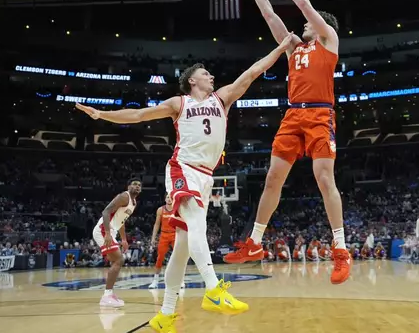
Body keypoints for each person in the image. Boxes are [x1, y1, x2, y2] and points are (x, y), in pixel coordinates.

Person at [75, 33, 294, 333]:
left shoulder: (223, 98)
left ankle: (165, 315)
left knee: (181, 248)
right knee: (196, 226)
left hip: (206, 176)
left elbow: (253, 72)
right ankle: (213, 289)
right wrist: (102, 114)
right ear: (192, 80)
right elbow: (139, 114)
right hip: (183, 169)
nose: (212, 76)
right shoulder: (179, 103)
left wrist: (281, 48)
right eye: (206, 73)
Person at [224, 0, 351, 285]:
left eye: (308, 23)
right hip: (293, 115)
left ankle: (341, 251)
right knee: (271, 180)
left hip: (320, 114)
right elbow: (269, 14)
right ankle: (254, 243)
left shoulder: (328, 41)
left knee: (324, 179)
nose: (303, 25)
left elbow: (307, 7)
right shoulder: (295, 48)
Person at [92, 178, 142, 307]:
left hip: (111, 231)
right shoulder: (124, 196)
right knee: (118, 260)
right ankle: (107, 296)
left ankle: (109, 294)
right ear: (128, 186)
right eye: (134, 184)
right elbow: (106, 212)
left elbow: (121, 221)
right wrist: (108, 233)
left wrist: (124, 239)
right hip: (103, 229)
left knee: (117, 260)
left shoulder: (133, 202)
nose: (137, 186)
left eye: (139, 185)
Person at [149, 194, 184, 289]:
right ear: (165, 199)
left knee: (179, 258)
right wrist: (153, 238)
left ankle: (181, 281)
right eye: (168, 197)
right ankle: (155, 281)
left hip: (175, 234)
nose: (169, 199)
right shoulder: (160, 210)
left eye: (171, 198)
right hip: (164, 235)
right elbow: (156, 224)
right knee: (160, 258)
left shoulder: (178, 209)